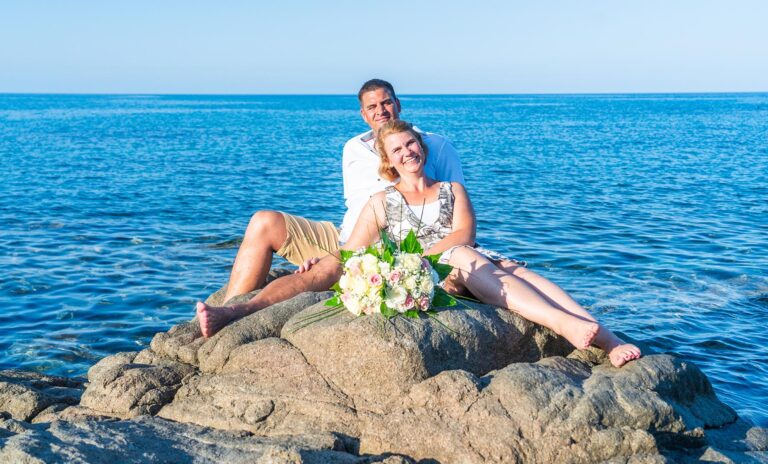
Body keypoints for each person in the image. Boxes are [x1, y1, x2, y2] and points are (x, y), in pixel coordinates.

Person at [199, 119, 642, 368]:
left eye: (412, 144)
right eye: (398, 150)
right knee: (464, 259)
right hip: (440, 272)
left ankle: (608, 340)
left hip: (464, 258)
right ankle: (566, 328)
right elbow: (353, 249)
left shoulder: (452, 189)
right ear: (388, 163)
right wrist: (325, 257)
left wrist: (423, 253)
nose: (408, 151)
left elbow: (464, 234)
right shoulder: (380, 202)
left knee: (528, 276)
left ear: (421, 148)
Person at [196, 80, 464, 333]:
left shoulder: (435, 146)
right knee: (264, 221)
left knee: (323, 271)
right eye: (372, 107)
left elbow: (452, 205)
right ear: (363, 114)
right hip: (347, 239)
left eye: (386, 103)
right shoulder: (352, 149)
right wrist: (330, 253)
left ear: (398, 104)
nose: (380, 111)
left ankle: (235, 313)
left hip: (398, 248)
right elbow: (354, 206)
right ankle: (225, 312)